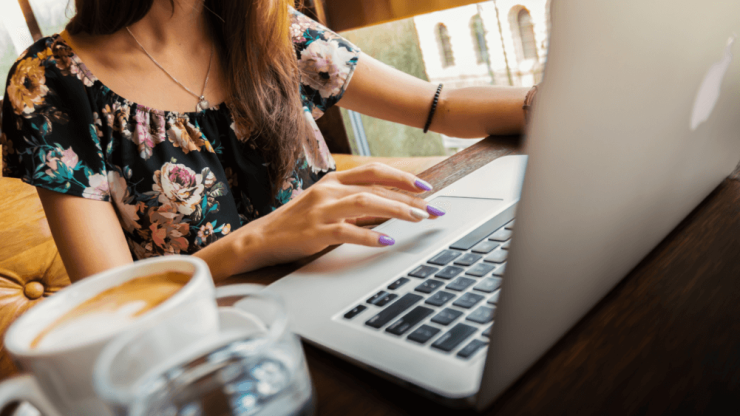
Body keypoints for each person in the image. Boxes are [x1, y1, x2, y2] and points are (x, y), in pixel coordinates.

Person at [1, 0, 531, 283]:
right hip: (217, 352)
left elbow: (437, 106)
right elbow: (113, 303)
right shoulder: (51, 85)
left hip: (348, 285)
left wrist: (560, 99)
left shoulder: (267, 27)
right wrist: (259, 240)